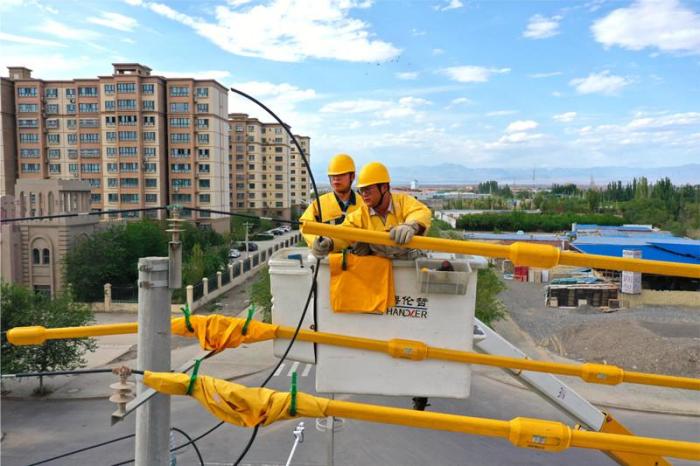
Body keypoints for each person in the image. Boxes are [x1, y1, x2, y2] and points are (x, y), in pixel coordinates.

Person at [311, 161, 432, 260]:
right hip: (379, 273)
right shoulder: (361, 215)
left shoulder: (403, 202)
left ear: (384, 187)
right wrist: (329, 242)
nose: (364, 195)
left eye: (368, 189)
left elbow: (420, 212)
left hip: (406, 267)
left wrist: (411, 226)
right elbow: (344, 234)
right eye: (361, 191)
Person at [300, 153, 364, 247]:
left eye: (341, 174)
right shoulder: (319, 204)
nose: (336, 179)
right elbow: (304, 226)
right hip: (327, 259)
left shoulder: (364, 205)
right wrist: (316, 241)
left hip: (357, 259)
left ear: (352, 176)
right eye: (332, 175)